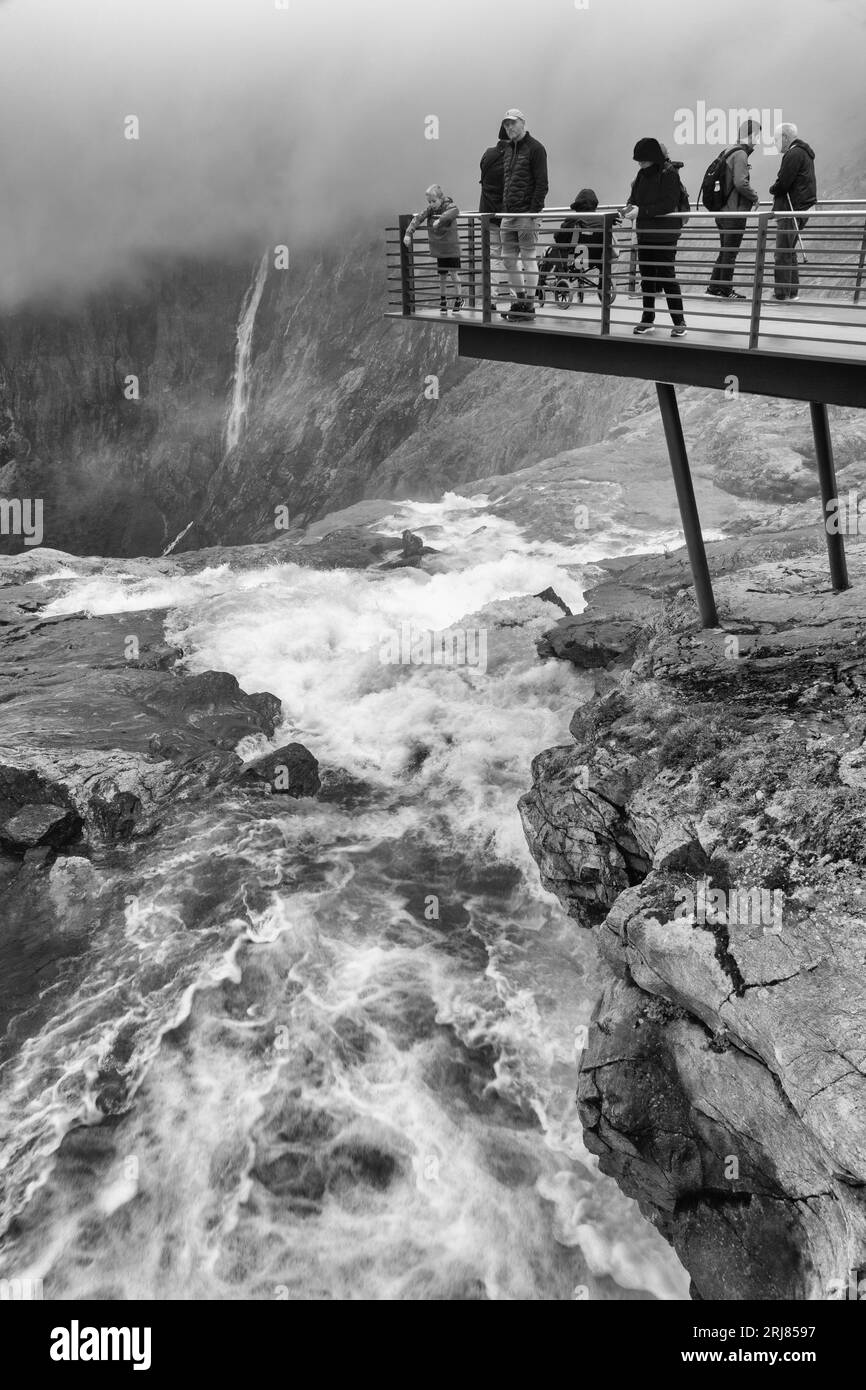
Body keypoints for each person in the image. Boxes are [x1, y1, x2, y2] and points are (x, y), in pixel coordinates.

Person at [619, 137, 688, 337]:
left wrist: (641, 212)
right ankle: (647, 319)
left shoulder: (670, 175)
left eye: (643, 160)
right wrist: (625, 211)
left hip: (665, 235)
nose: (640, 164)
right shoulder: (641, 175)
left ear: (653, 158)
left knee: (667, 277)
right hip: (646, 233)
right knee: (647, 278)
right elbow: (633, 199)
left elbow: (667, 204)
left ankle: (679, 321)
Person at [498, 108, 549, 322]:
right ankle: (519, 301)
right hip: (508, 213)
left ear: (523, 123)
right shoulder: (509, 149)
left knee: (528, 258)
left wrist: (533, 211)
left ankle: (528, 304)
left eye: (512, 123)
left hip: (526, 214)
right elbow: (508, 180)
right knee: (508, 259)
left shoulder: (536, 148)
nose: (509, 127)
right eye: (506, 124)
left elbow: (542, 183)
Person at [706, 118, 761, 300]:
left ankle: (715, 287)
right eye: (757, 136)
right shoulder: (741, 155)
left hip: (722, 211)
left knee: (725, 250)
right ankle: (726, 290)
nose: (758, 140)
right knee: (730, 252)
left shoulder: (728, 150)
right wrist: (755, 197)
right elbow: (740, 182)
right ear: (751, 135)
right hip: (734, 211)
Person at [770, 123, 816, 302]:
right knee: (789, 251)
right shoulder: (804, 153)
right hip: (801, 208)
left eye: (776, 140)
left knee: (782, 252)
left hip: (791, 209)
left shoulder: (793, 154)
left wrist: (772, 188)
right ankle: (792, 292)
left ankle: (781, 295)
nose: (775, 143)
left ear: (785, 138)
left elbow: (783, 183)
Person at [403, 184, 465, 314]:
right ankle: (443, 300)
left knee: (454, 274)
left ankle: (459, 298)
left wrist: (440, 220)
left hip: (451, 248)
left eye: (433, 201)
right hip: (440, 249)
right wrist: (408, 233)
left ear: (441, 198)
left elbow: (454, 211)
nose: (431, 204)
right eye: (429, 202)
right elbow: (418, 218)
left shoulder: (449, 205)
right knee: (442, 275)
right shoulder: (431, 210)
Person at [479, 123, 510, 300]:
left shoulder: (488, 154)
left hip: (488, 212)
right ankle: (519, 298)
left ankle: (490, 297)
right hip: (507, 213)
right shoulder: (512, 156)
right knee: (513, 256)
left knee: (494, 255)